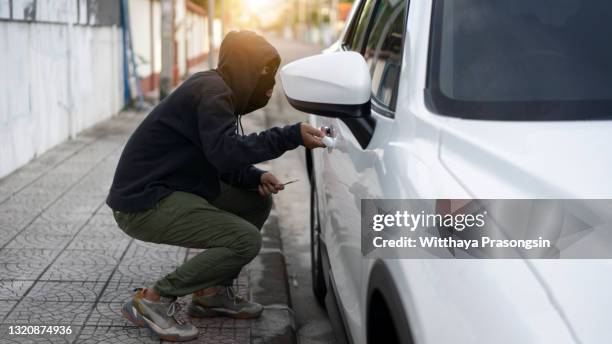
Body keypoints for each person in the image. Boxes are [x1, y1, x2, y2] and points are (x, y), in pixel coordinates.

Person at [106, 31, 326, 342]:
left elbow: (216, 155)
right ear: (244, 69)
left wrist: (252, 177)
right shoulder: (213, 93)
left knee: (255, 202)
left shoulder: (214, 87)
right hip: (144, 202)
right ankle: (153, 300)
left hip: (171, 186)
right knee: (245, 241)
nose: (268, 85)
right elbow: (225, 151)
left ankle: (211, 294)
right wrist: (289, 136)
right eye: (263, 73)